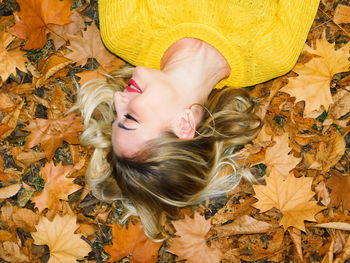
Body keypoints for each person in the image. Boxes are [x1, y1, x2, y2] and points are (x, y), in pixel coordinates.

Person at [74, 0, 320, 240]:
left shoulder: (125, 30)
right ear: (183, 124)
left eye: (116, 114)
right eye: (129, 117)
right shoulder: (273, 53)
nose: (118, 98)